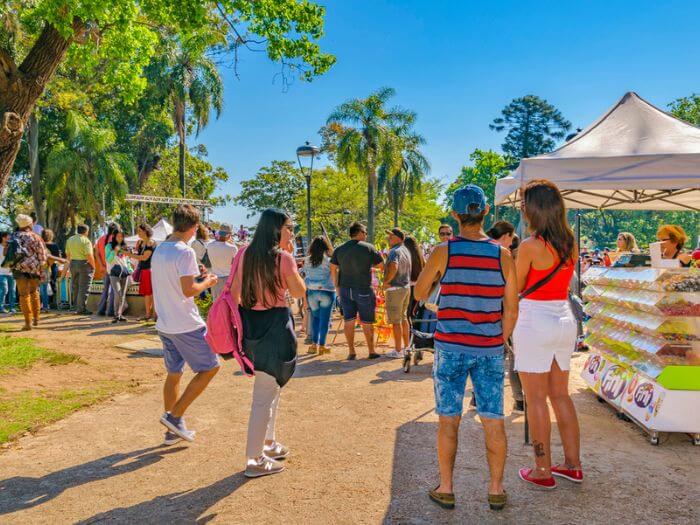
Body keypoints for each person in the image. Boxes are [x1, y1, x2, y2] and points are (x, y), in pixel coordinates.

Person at [415, 184, 518, 511]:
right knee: (493, 419)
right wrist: (499, 339)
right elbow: (511, 308)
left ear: (456, 215)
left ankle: (446, 487)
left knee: (449, 419)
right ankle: (496, 489)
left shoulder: (444, 251)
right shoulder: (503, 255)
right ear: (485, 212)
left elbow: (419, 293)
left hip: (450, 346)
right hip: (488, 348)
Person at [513, 179, 582, 489]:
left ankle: (542, 469)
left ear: (534, 208)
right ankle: (572, 464)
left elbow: (515, 288)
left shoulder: (529, 246)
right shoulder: (570, 242)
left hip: (534, 319)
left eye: (524, 203)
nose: (522, 209)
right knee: (560, 395)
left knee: (535, 398)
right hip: (564, 319)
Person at [230, 208, 306, 478]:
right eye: (289, 227)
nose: (292, 232)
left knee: (270, 389)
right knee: (264, 394)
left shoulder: (245, 255)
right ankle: (254, 459)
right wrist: (290, 262)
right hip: (275, 325)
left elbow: (235, 293)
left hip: (252, 324)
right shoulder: (282, 258)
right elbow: (298, 291)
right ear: (277, 229)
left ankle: (268, 443)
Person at [151, 205, 220, 445]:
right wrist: (208, 281)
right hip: (185, 323)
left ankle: (173, 429)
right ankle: (175, 416)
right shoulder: (184, 251)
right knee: (210, 367)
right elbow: (189, 290)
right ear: (193, 227)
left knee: (174, 374)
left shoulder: (159, 250)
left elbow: (176, 283)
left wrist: (197, 278)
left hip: (166, 322)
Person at [330, 222, 384, 360]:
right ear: (359, 232)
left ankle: (351, 352)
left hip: (344, 288)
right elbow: (381, 266)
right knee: (367, 321)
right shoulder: (368, 248)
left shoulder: (339, 249)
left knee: (349, 319)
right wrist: (370, 267)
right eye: (365, 232)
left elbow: (333, 268)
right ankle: (371, 351)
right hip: (363, 288)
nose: (366, 235)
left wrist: (337, 286)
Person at [487, 221, 523, 413]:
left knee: (496, 355)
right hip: (512, 310)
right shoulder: (511, 257)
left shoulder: (499, 256)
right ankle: (519, 400)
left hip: (500, 310)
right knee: (513, 355)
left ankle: (479, 397)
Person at [11, 214, 48, 330]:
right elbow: (42, 256)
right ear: (29, 224)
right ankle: (36, 319)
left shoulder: (13, 237)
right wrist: (41, 268)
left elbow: (7, 254)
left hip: (18, 268)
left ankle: (28, 323)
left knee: (23, 295)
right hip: (34, 268)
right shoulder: (36, 237)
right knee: (34, 292)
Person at [303, 236, 336, 355]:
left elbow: (305, 274)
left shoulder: (306, 260)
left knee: (315, 318)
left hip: (312, 292)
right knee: (325, 320)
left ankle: (313, 345)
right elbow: (333, 273)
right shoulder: (328, 260)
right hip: (327, 291)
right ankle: (322, 345)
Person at [383, 228, 412, 359]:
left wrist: (386, 281)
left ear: (399, 238)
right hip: (405, 288)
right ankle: (406, 348)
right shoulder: (405, 250)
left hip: (395, 288)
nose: (389, 238)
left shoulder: (394, 251)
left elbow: (393, 267)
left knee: (396, 321)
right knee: (403, 318)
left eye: (391, 236)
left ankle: (398, 350)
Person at [63, 224, 96, 316]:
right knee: (84, 287)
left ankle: (75, 307)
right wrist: (94, 266)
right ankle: (82, 308)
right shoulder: (86, 241)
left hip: (73, 263)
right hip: (84, 264)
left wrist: (67, 268)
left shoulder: (70, 240)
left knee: (75, 286)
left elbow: (68, 255)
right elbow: (89, 255)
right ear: (86, 231)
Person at [105, 229, 133, 323]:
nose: (120, 238)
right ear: (114, 236)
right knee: (118, 293)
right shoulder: (109, 246)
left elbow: (127, 259)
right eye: (118, 236)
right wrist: (115, 251)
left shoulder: (125, 246)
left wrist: (129, 269)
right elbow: (108, 259)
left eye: (121, 236)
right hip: (114, 272)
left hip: (125, 272)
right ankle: (116, 315)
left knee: (122, 295)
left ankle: (119, 315)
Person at [130, 224, 156, 321]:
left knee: (151, 293)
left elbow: (144, 257)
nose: (138, 233)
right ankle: (148, 314)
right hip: (144, 270)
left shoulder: (150, 242)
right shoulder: (141, 242)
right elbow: (138, 255)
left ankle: (154, 315)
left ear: (145, 231)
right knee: (146, 293)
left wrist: (129, 254)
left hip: (150, 270)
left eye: (140, 231)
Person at [207, 224, 238, 299]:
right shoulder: (233, 248)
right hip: (228, 279)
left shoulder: (209, 245)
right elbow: (234, 264)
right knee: (227, 305)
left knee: (216, 304)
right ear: (229, 235)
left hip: (214, 278)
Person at [95, 223, 118, 317]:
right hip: (114, 267)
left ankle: (101, 310)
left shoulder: (101, 239)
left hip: (104, 267)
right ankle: (111, 311)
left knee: (105, 289)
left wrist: (101, 265)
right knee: (113, 289)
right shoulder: (116, 239)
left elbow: (96, 254)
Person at [403, 235, 425, 319]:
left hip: (408, 287)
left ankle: (407, 331)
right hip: (418, 288)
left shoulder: (406, 256)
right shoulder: (420, 256)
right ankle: (410, 330)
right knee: (411, 313)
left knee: (405, 314)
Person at [41, 229, 61, 310]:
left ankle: (43, 303)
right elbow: (58, 257)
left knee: (42, 286)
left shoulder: (40, 245)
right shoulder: (54, 246)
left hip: (42, 267)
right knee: (53, 283)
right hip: (52, 267)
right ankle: (53, 303)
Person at [0, 231, 17, 313]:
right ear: (3, 237)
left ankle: (12, 308)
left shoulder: (12, 247)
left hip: (11, 272)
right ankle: (1, 307)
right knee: (4, 289)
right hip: (1, 273)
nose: (9, 238)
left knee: (12, 291)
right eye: (8, 237)